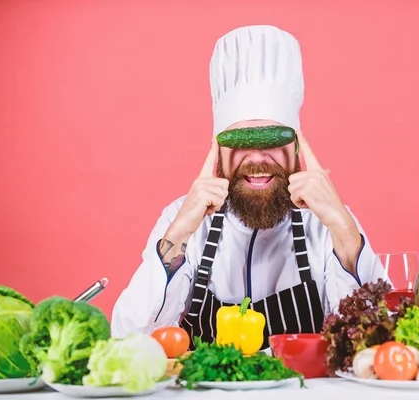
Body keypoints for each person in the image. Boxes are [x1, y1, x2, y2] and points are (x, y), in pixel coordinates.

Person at [111, 25, 386, 348]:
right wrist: (179, 232)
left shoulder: (327, 223)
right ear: (217, 150)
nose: (256, 157)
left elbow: (374, 343)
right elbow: (129, 341)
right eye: (239, 141)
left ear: (297, 148)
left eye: (273, 138)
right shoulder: (183, 220)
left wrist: (341, 224)